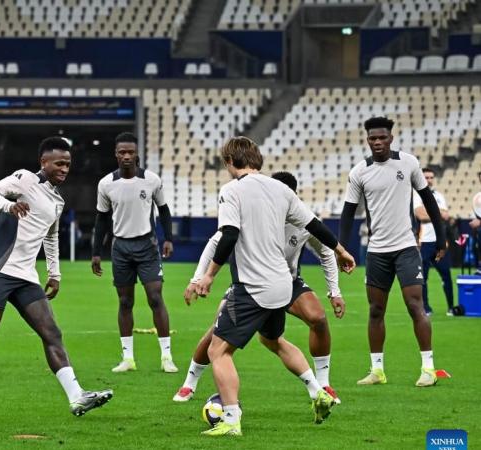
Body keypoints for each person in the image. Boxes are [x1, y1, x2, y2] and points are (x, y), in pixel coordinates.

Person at [190, 137, 356, 436]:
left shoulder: (231, 191)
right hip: (283, 285)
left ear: (230, 161)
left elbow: (228, 234)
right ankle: (318, 390)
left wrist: (209, 276)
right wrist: (342, 250)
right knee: (272, 340)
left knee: (218, 351)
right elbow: (315, 224)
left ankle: (230, 420)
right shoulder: (281, 189)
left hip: (253, 286)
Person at [0, 137, 112, 417]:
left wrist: (55, 273)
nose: (64, 168)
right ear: (43, 162)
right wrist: (9, 206)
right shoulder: (23, 179)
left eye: (68, 164)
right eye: (59, 163)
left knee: (51, 332)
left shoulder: (57, 199)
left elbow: (52, 235)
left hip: (26, 276)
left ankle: (76, 396)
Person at [174, 171, 346, 405]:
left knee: (318, 318)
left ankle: (323, 384)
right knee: (217, 333)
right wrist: (198, 278)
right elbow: (216, 241)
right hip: (250, 282)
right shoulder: (252, 212)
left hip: (287, 282)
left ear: (291, 196)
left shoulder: (302, 219)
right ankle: (189, 383)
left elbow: (326, 251)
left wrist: (334, 292)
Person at [339, 117, 446, 388]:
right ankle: (377, 371)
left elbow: (429, 200)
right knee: (376, 310)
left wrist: (442, 238)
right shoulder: (359, 172)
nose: (377, 142)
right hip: (377, 252)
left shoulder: (408, 163)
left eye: (382, 138)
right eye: (372, 138)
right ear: (367, 140)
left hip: (406, 248)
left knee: (414, 305)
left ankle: (428, 369)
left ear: (391, 138)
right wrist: (341, 248)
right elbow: (348, 212)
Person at [91, 132, 177, 373]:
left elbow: (164, 210)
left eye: (130, 152)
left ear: (137, 154)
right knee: (125, 301)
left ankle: (166, 357)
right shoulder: (106, 184)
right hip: (120, 248)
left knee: (155, 298)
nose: (127, 156)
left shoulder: (151, 180)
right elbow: (102, 219)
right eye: (122, 152)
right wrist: (96, 252)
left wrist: (168, 238)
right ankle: (128, 359)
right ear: (116, 155)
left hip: (147, 246)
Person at [414, 168, 454, 316]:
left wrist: (429, 212)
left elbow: (446, 215)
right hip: (424, 243)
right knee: (423, 278)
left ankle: (451, 307)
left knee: (446, 276)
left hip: (439, 242)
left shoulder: (439, 195)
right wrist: (437, 214)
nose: (429, 180)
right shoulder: (417, 195)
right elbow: (420, 215)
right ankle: (426, 308)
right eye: (426, 177)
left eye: (431, 177)